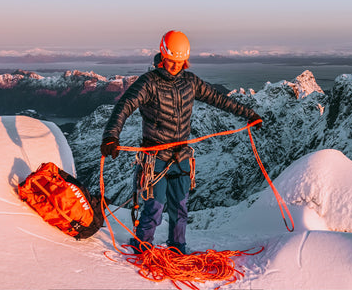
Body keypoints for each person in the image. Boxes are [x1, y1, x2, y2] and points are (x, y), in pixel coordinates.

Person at [100, 30, 262, 254]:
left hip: (181, 156)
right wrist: (111, 134)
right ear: (162, 55)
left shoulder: (190, 82)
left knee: (180, 207)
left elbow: (219, 99)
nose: (175, 66)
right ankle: (142, 246)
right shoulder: (148, 83)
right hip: (155, 157)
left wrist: (248, 114)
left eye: (178, 62)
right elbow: (124, 106)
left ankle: (177, 249)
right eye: (170, 61)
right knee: (154, 206)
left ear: (184, 60)